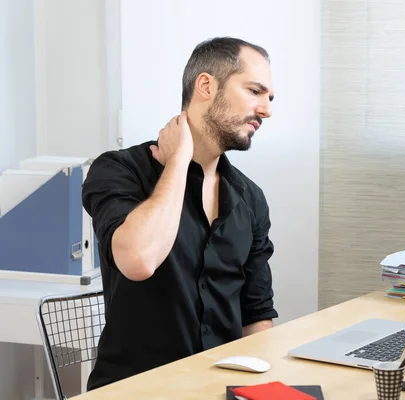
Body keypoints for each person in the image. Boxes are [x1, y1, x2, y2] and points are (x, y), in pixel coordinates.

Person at [81, 37, 278, 390]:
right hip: (134, 390)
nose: (266, 110)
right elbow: (138, 260)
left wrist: (257, 390)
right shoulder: (118, 170)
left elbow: (257, 314)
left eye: (269, 98)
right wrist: (178, 161)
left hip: (219, 388)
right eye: (254, 91)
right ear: (206, 85)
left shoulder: (251, 199)